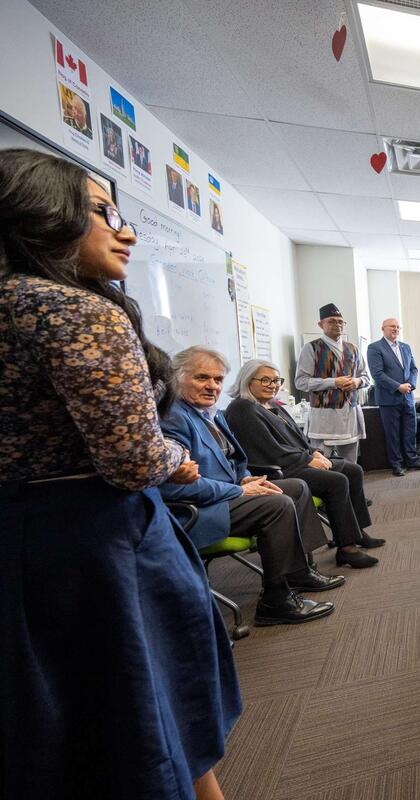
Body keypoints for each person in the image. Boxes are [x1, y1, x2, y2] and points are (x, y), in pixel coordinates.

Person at [0, 148, 239, 799]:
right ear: (44, 212)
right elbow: (134, 457)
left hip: (24, 544)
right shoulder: (76, 310)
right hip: (99, 543)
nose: (125, 229)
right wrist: (175, 459)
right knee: (148, 717)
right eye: (103, 210)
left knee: (66, 731)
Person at [161, 346, 344, 625]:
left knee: (294, 486)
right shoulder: (172, 419)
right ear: (177, 377)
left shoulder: (213, 414)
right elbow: (177, 488)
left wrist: (244, 477)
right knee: (277, 504)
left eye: (218, 379)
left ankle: (299, 572)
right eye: (202, 378)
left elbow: (234, 460)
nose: (212, 386)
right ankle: (276, 600)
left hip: (225, 496)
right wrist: (239, 490)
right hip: (196, 510)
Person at [224, 359, 385, 569]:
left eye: (275, 380)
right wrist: (309, 460)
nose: (272, 385)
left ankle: (357, 531)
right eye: (265, 380)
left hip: (297, 460)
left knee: (353, 470)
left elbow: (297, 438)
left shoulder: (271, 404)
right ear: (247, 380)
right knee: (336, 481)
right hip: (280, 469)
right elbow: (270, 451)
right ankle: (347, 548)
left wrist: (314, 453)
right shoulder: (242, 409)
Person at [294, 303, 372, 464]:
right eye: (331, 321)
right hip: (324, 418)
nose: (337, 324)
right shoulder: (311, 348)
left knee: (351, 464)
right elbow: (301, 382)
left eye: (340, 321)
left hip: (350, 415)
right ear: (321, 324)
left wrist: (357, 381)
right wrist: (333, 382)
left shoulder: (353, 349)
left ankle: (351, 489)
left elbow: (366, 377)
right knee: (324, 464)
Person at [366, 318, 420, 476]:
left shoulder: (405, 347)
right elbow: (377, 374)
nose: (395, 329)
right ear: (383, 329)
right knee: (392, 433)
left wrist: (410, 384)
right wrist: (398, 387)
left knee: (410, 430)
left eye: (397, 327)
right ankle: (396, 464)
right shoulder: (375, 348)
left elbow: (413, 369)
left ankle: (412, 460)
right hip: (389, 399)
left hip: (408, 397)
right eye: (392, 326)